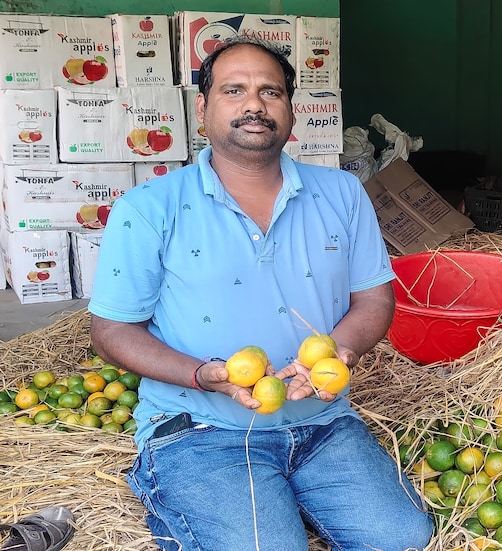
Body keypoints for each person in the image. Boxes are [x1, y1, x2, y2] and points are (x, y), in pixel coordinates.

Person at [88, 36, 434, 551]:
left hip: (323, 420)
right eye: (235, 90)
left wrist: (343, 350)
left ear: (291, 111)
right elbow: (112, 330)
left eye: (271, 92)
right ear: (203, 108)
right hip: (202, 428)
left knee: (404, 539)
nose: (255, 104)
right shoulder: (149, 207)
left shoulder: (342, 192)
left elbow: (373, 300)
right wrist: (202, 375)